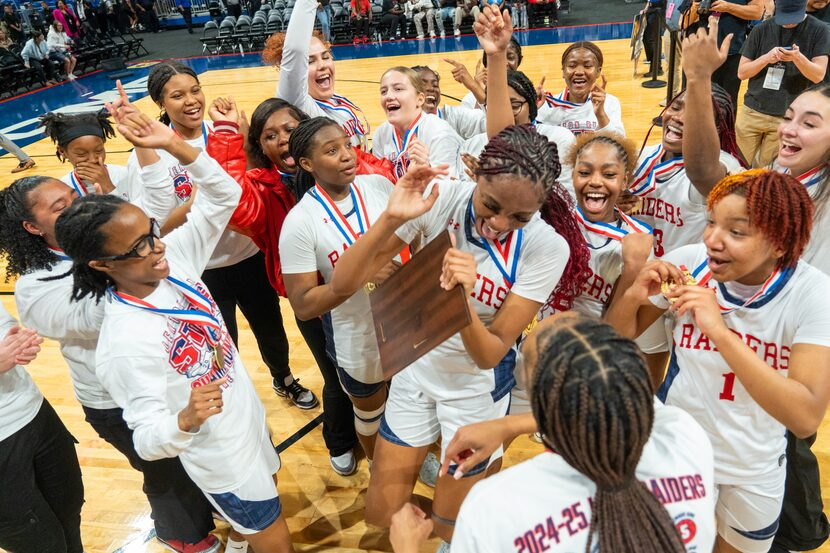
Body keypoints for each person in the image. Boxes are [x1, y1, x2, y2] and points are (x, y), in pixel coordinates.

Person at [327, 9, 588, 544]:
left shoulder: (547, 245)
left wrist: (464, 298)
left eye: (519, 215)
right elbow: (347, 281)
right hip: (417, 367)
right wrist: (393, 217)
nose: (498, 224)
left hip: (476, 390)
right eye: (492, 206)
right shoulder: (441, 197)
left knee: (452, 525)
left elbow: (492, 352)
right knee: (382, 510)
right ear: (473, 174)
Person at [55, 106, 295, 553]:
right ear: (103, 265)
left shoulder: (173, 260)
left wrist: (173, 146)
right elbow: (146, 440)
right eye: (140, 246)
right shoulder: (122, 344)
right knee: (276, 540)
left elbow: (222, 195)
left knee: (269, 496)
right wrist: (184, 420)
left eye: (152, 232)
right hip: (221, 455)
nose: (158, 246)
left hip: (248, 420)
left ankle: (241, 540)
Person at [606, 168, 830, 553]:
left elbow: (805, 415)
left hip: (755, 465)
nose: (712, 240)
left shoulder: (813, 294)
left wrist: (721, 334)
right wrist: (633, 292)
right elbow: (609, 343)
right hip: (677, 449)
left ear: (780, 243)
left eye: (736, 232)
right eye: (711, 223)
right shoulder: (689, 263)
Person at [3, 173, 221, 553]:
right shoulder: (34, 285)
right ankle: (180, 533)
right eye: (60, 207)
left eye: (74, 196)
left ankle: (201, 511)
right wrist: (119, 255)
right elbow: (98, 316)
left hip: (173, 374)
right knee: (163, 468)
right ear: (32, 227)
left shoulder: (112, 242)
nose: (76, 206)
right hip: (113, 400)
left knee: (190, 454)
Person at [428, 315, 717, 552]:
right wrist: (509, 425)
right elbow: (611, 400)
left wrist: (409, 546)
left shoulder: (497, 505)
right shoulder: (684, 436)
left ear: (539, 404)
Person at [135, 64, 321, 413]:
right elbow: (156, 224)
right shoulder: (151, 150)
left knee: (272, 330)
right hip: (202, 266)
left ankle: (283, 378)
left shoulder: (228, 130)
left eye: (195, 90)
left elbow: (261, 178)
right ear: (160, 101)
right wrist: (206, 200)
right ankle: (234, 398)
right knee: (221, 339)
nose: (191, 101)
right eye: (178, 95)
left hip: (250, 254)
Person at [204, 97, 360, 476]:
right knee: (337, 377)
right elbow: (232, 204)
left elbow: (376, 174)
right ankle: (340, 439)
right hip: (315, 302)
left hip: (365, 287)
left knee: (378, 371)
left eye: (290, 130)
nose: (284, 140)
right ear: (261, 148)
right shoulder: (261, 188)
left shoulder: (335, 162)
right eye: (270, 136)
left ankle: (379, 431)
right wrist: (228, 136)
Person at [280, 117, 397, 469]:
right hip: (355, 333)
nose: (347, 155)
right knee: (370, 410)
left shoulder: (377, 185)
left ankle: (409, 455)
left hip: (403, 318)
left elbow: (413, 235)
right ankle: (381, 467)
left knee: (408, 400)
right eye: (332, 151)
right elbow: (302, 305)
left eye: (347, 144)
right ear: (306, 164)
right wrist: (358, 275)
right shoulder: (300, 222)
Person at [768, 82, 830, 553]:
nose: (789, 129)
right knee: (781, 434)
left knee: (793, 433)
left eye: (810, 124)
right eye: (790, 116)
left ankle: (800, 532)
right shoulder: (780, 170)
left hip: (808, 333)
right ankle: (801, 528)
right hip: (772, 323)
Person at [0, 304, 84, 553]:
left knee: (69, 512)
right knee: (36, 541)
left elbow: (4, 325)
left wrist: (16, 342)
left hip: (33, 410)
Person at [545, 132, 653, 318]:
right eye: (585, 173)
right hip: (540, 337)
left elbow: (621, 323)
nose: (595, 181)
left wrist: (632, 269)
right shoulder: (554, 217)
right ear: (572, 176)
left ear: (624, 181)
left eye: (609, 174)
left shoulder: (638, 238)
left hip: (596, 342)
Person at [267, 5, 375, 152]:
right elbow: (295, 51)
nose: (322, 65)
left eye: (325, 57)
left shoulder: (336, 99)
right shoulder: (298, 104)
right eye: (310, 61)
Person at [736, 0, 830, 167]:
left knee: (769, 173)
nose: (789, 22)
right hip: (752, 111)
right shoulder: (761, 29)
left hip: (786, 117)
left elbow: (818, 76)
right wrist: (767, 58)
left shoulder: (820, 30)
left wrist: (798, 58)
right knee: (737, 166)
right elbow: (742, 72)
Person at [39, 108, 174, 221]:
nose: (92, 159)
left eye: (98, 151)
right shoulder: (63, 188)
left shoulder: (125, 174)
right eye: (81, 154)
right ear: (62, 151)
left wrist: (109, 187)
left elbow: (143, 217)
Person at [458, 68, 576, 184]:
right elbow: (462, 199)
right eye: (496, 108)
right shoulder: (470, 147)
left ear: (531, 106)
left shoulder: (558, 139)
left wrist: (496, 188)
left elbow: (568, 199)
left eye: (514, 106)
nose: (505, 114)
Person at [371, 66, 463, 178]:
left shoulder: (439, 131)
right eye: (383, 91)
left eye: (398, 89)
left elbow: (450, 189)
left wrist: (427, 172)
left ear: (419, 99)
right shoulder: (380, 134)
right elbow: (382, 183)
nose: (388, 96)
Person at [689, 0, 765, 115]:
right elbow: (687, 18)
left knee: (727, 101)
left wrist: (728, 7)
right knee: (698, 100)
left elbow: (757, 12)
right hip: (702, 52)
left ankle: (726, 132)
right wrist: (695, 5)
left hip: (732, 54)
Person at [537, 41, 626, 136]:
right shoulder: (546, 106)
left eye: (587, 66)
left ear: (598, 71)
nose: (579, 72)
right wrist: (531, 113)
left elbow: (620, 144)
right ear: (563, 71)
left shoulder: (610, 102)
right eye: (572, 66)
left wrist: (601, 115)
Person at [411, 65, 486, 139]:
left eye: (435, 85)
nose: (431, 88)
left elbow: (490, 124)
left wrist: (474, 87)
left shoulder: (454, 116)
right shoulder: (400, 121)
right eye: (423, 84)